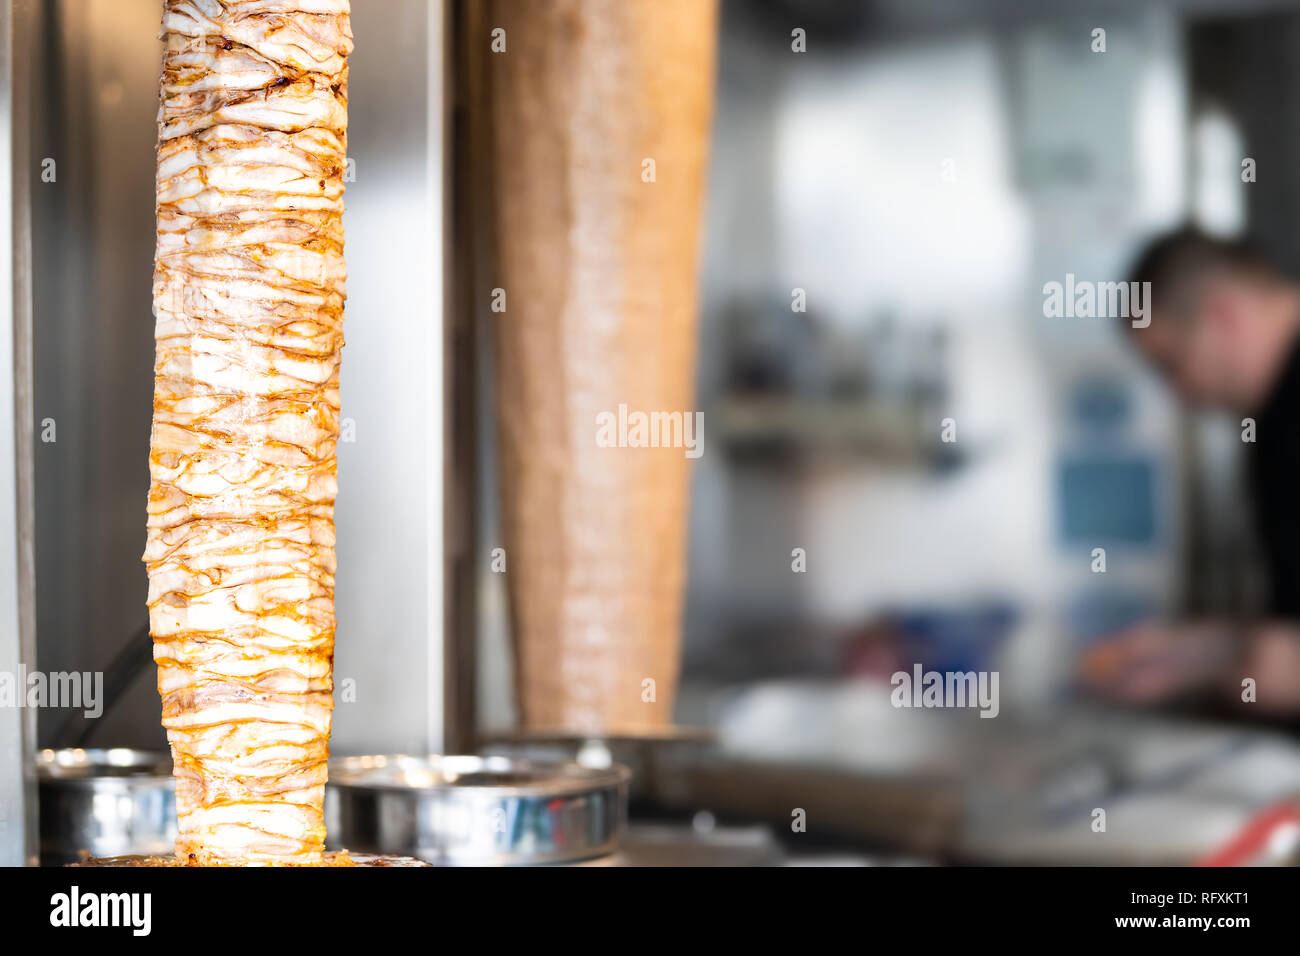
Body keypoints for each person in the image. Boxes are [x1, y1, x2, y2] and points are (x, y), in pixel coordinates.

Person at [1084, 228, 1300, 716]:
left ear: (1223, 314)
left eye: (1171, 364)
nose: (1177, 395)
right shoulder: (1269, 418)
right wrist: (1190, 653)